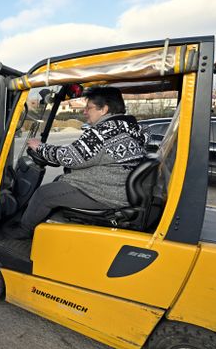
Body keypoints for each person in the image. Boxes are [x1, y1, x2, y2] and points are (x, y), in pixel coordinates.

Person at [10, 86, 149, 238]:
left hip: (104, 194)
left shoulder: (104, 131)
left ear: (104, 110)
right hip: (115, 188)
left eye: (89, 108)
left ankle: (23, 231)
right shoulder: (132, 128)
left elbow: (70, 157)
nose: (84, 112)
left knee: (44, 194)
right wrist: (53, 150)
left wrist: (40, 147)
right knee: (57, 182)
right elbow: (85, 153)